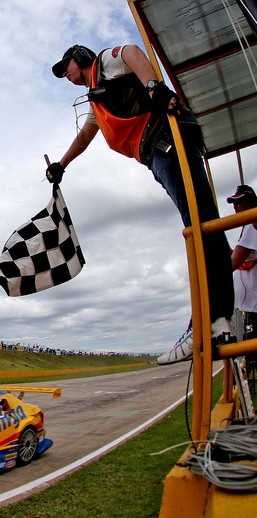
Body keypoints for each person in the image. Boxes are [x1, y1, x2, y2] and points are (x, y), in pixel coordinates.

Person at [47, 44, 235, 365]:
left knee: (199, 223)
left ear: (80, 58)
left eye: (66, 66)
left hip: (164, 137)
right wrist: (62, 165)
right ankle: (214, 319)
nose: (65, 74)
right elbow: (84, 137)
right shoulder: (96, 98)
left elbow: (132, 52)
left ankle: (212, 320)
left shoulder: (105, 64)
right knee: (199, 221)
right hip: (156, 152)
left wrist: (153, 87)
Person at [227, 185, 257, 339]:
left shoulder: (253, 225)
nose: (235, 206)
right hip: (249, 305)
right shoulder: (249, 226)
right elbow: (241, 257)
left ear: (251, 202)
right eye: (233, 203)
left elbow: (233, 263)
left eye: (239, 202)